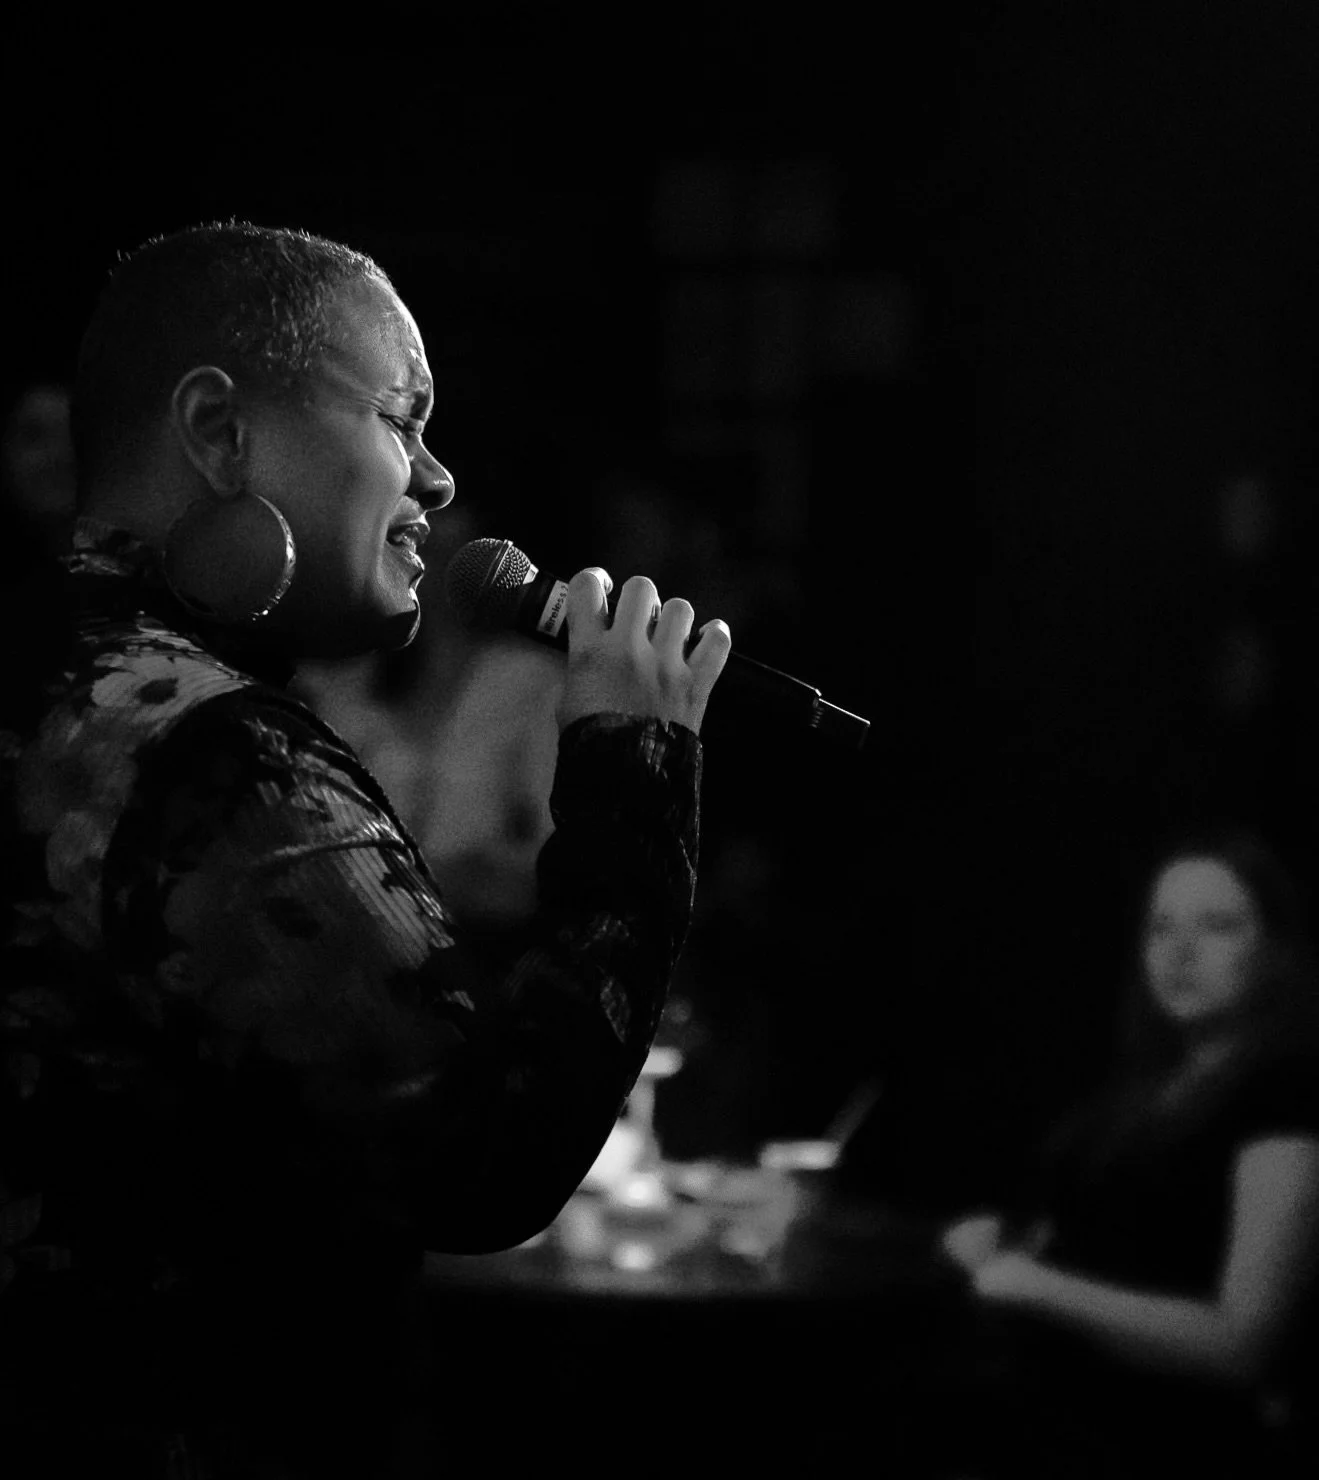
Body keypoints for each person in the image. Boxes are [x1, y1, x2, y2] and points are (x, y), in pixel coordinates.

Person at [0, 221, 731, 1478]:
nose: (439, 480)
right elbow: (484, 1158)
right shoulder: (210, 750)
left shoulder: (45, 678)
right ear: (223, 435)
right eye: (401, 416)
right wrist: (633, 775)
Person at [940, 829, 1319, 1477]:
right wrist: (1006, 1246)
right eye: (1160, 927)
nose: (1179, 952)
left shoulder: (1285, 1102)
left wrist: (1032, 1285)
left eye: (1217, 926)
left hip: (1162, 1447)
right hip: (1048, 1421)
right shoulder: (1144, 1092)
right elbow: (1096, 1245)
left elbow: (1240, 1343)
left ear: (1274, 950)